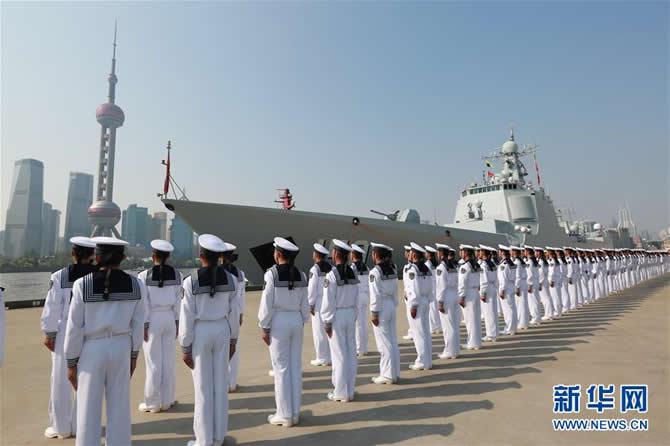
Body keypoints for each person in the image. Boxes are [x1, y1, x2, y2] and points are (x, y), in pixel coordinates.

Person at [64, 236, 145, 446]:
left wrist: (71, 361)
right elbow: (139, 324)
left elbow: (74, 327)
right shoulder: (137, 284)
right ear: (124, 258)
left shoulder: (82, 284)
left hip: (92, 348)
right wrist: (134, 355)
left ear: (97, 257)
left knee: (88, 407)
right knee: (120, 406)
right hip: (121, 346)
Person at [180, 234, 239, 446]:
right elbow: (234, 312)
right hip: (222, 328)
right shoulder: (232, 280)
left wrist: (185, 346)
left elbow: (186, 316)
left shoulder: (190, 281)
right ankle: (218, 436)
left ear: (201, 255)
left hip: (201, 331)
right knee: (220, 384)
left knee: (203, 387)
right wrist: (233, 340)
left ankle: (203, 440)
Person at [40, 236, 97, 439]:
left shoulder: (59, 276)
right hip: (91, 331)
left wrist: (49, 333)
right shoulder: (99, 276)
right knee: (86, 380)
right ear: (93, 255)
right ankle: (82, 426)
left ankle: (61, 427)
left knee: (60, 380)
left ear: (73, 253)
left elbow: (52, 308)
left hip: (65, 330)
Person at [258, 237, 309, 426]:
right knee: (295, 367)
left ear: (278, 254)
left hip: (279, 321)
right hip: (296, 320)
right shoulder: (301, 275)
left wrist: (264, 326)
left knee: (281, 368)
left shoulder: (271, 274)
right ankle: (294, 412)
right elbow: (305, 304)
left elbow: (267, 303)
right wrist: (301, 319)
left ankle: (284, 414)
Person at [137, 239, 182, 413]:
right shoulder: (178, 275)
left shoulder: (143, 276)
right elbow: (178, 302)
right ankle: (167, 400)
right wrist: (177, 322)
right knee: (168, 362)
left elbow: (144, 303)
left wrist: (145, 324)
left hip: (153, 319)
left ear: (153, 256)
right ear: (168, 256)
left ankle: (152, 403)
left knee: (153, 363)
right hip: (170, 317)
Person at [321, 239, 359, 401]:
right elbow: (356, 297)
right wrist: (354, 314)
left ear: (336, 254)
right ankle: (350, 389)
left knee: (339, 355)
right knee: (350, 353)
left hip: (337, 316)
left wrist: (327, 321)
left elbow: (328, 301)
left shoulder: (331, 275)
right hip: (350, 314)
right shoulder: (353, 273)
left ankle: (341, 392)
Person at [368, 242, 400, 384]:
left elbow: (375, 294)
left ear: (375, 255)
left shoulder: (375, 272)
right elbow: (396, 289)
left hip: (381, 307)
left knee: (384, 343)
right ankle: (394, 372)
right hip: (390, 304)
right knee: (392, 340)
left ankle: (387, 375)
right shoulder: (392, 269)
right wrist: (394, 304)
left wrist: (374, 313)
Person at [220, 242, 246, 393]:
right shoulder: (239, 273)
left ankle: (223, 382)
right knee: (233, 348)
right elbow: (241, 297)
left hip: (221, 315)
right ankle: (232, 382)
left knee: (220, 351)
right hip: (235, 314)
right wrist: (240, 314)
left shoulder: (218, 273)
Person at [404, 242, 434, 369]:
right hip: (425, 300)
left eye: (411, 252)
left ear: (414, 255)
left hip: (418, 303)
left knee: (418, 333)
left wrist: (413, 306)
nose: (409, 254)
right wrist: (429, 299)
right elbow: (431, 286)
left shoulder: (413, 270)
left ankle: (421, 361)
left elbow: (414, 289)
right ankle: (428, 360)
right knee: (425, 332)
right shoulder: (426, 268)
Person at [308, 243, 332, 366]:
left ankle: (322, 357)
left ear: (316, 255)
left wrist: (311, 304)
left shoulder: (314, 269)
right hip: (329, 300)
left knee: (319, 331)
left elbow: (312, 288)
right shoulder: (331, 268)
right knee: (329, 329)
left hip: (318, 302)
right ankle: (330, 356)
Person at [435, 244, 459, 358]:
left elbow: (441, 286)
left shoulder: (441, 267)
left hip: (446, 296)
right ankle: (455, 350)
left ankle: (449, 351)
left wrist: (440, 302)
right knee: (454, 324)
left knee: (447, 326)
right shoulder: (453, 265)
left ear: (440, 254)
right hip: (454, 294)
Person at [458, 245, 482, 350]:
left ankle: (472, 343)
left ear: (466, 253)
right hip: (475, 292)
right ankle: (477, 342)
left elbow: (462, 283)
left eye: (462, 251)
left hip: (468, 294)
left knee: (470, 320)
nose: (461, 253)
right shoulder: (475, 264)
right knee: (476, 319)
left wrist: (461, 296)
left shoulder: (465, 267)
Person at [350, 243, 370, 356]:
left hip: (356, 297)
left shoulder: (352, 268)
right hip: (365, 296)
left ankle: (359, 348)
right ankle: (364, 347)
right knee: (363, 322)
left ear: (353, 255)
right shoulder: (366, 267)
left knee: (357, 323)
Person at [479, 246, 499, 342]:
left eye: (480, 252)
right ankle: (495, 333)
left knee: (488, 313)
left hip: (487, 289)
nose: (479, 253)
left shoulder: (483, 265)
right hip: (493, 288)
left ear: (483, 254)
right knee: (493, 312)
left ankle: (490, 334)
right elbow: (496, 278)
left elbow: (484, 281)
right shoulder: (492, 264)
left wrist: (483, 293)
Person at [497, 245, 517, 335]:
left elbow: (503, 279)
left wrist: (502, 290)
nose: (499, 253)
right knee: (512, 308)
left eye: (499, 251)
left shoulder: (504, 264)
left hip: (506, 287)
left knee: (507, 309)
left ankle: (510, 328)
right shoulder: (510, 262)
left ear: (502, 253)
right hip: (511, 285)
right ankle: (512, 327)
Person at [424, 245, 442, 334]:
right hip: (437, 286)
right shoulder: (436, 263)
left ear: (428, 254)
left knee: (432, 308)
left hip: (431, 287)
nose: (425, 254)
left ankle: (433, 327)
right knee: (436, 307)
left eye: (426, 253)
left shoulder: (427, 264)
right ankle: (438, 326)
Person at [511, 246, 529, 330]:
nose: (510, 252)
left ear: (514, 252)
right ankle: (524, 322)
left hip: (520, 284)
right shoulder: (520, 261)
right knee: (523, 303)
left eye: (511, 251)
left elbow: (517, 276)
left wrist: (517, 287)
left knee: (520, 304)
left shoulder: (517, 262)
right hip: (523, 283)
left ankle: (522, 323)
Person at [524, 246, 542, 325]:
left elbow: (529, 274)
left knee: (532, 302)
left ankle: (535, 318)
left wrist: (529, 285)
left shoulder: (529, 262)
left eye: (525, 251)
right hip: (535, 282)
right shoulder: (533, 261)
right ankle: (537, 317)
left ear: (528, 252)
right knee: (536, 300)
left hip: (532, 283)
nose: (524, 252)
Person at [401, 245, 414, 341]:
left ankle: (412, 333)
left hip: (410, 295)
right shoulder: (409, 266)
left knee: (411, 315)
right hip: (410, 294)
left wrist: (406, 292)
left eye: (406, 252)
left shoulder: (410, 267)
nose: (405, 253)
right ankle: (412, 331)